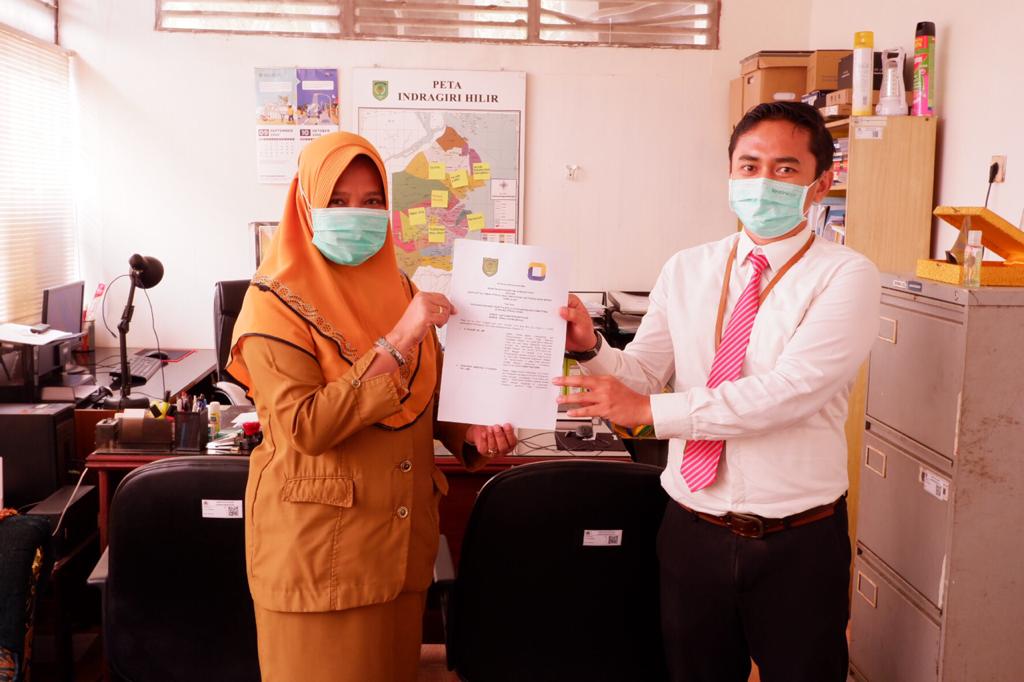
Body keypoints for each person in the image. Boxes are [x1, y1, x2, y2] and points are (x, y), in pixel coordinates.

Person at [554, 102, 880, 682]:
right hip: (692, 529)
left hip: (797, 540)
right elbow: (645, 371)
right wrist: (590, 348)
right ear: (730, 173)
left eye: (785, 168)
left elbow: (791, 392)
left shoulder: (846, 275)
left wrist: (650, 411)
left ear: (820, 182)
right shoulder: (688, 268)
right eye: (749, 166)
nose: (763, 182)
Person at [226, 132, 517, 682]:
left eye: (371, 200)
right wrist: (398, 339)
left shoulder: (399, 287)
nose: (355, 214)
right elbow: (305, 427)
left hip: (400, 550)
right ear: (305, 204)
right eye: (337, 201)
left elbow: (427, 394)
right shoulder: (270, 303)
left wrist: (471, 433)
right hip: (320, 556)